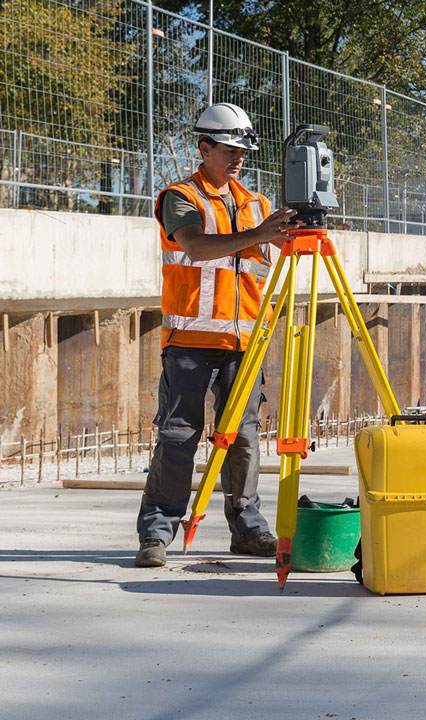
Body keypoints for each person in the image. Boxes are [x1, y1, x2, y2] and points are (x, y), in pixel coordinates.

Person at [135, 103, 298, 568]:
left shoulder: (256, 204)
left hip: (244, 344)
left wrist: (290, 234)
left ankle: (248, 530)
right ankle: (156, 534)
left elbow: (265, 261)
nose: (238, 158)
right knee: (178, 437)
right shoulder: (180, 197)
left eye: (243, 151)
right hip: (189, 343)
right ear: (204, 148)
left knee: (244, 439)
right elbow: (194, 245)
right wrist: (258, 233)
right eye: (229, 150)